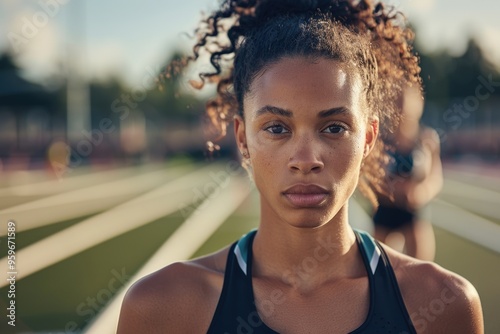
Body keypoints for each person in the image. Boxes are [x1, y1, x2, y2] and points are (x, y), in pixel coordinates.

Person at [117, 1, 483, 333]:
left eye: (334, 127)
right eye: (277, 128)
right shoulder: (162, 307)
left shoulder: (443, 304)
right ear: (242, 139)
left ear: (369, 137)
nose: (306, 159)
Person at [373, 85, 442, 261]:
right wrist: (388, 190)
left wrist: (422, 192)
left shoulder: (427, 139)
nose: (402, 106)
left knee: (422, 270)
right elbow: (367, 178)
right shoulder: (379, 139)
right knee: (378, 270)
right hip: (385, 212)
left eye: (407, 101)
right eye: (397, 100)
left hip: (413, 214)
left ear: (418, 103)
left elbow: (436, 179)